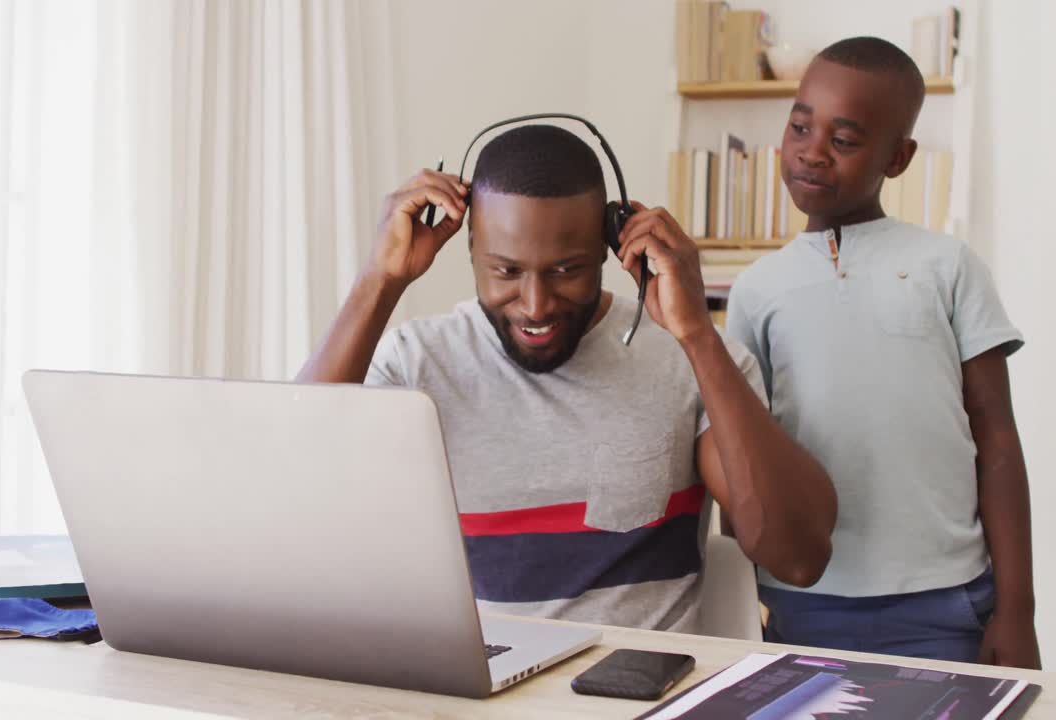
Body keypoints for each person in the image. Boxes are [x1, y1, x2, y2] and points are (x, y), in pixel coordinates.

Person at [297, 123, 836, 632]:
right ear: (469, 251)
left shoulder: (689, 359)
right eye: (506, 271)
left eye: (565, 270)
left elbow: (796, 557)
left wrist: (697, 334)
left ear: (613, 246)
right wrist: (381, 279)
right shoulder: (418, 361)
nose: (535, 305)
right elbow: (292, 498)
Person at [727, 37, 1040, 667]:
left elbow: (999, 443)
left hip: (945, 603)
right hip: (802, 603)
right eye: (799, 126)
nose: (812, 152)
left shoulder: (947, 266)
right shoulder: (756, 290)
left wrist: (1017, 610)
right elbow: (742, 455)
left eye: (843, 141)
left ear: (898, 158)